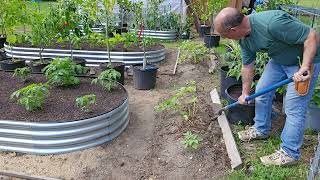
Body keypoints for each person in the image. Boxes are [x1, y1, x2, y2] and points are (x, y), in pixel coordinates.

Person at [214, 7, 320, 166]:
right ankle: (261, 129)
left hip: (303, 62)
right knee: (262, 92)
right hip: (278, 60)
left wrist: (305, 66)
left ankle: (290, 152)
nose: (227, 39)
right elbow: (247, 65)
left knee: (294, 108)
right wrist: (244, 93)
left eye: (225, 36)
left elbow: (311, 36)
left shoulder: (272, 23)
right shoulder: (243, 38)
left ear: (233, 30)